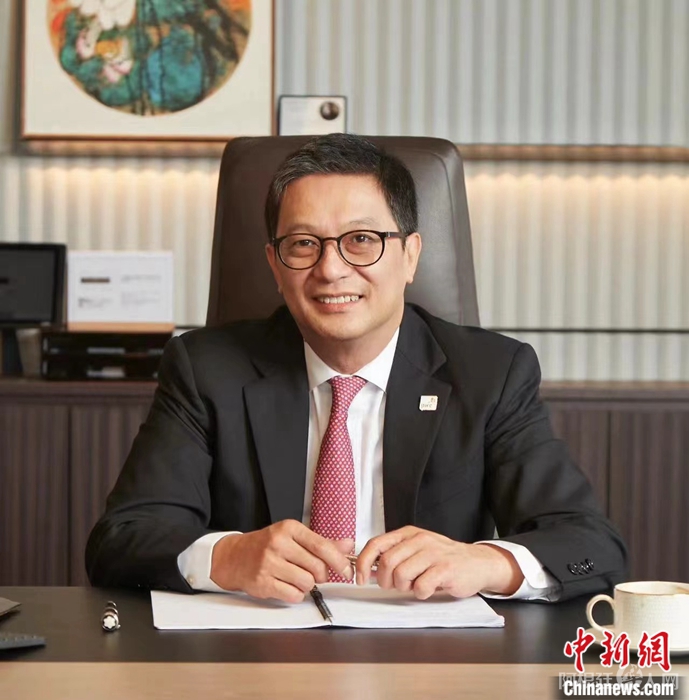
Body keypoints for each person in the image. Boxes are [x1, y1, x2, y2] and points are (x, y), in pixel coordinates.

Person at [86, 134, 627, 603]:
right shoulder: (207, 369)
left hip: (430, 661)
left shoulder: (491, 373)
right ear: (275, 264)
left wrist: (485, 562)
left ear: (410, 255)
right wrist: (227, 556)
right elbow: (122, 539)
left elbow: (591, 545)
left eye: (361, 241)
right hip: (256, 651)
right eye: (304, 244)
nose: (331, 269)